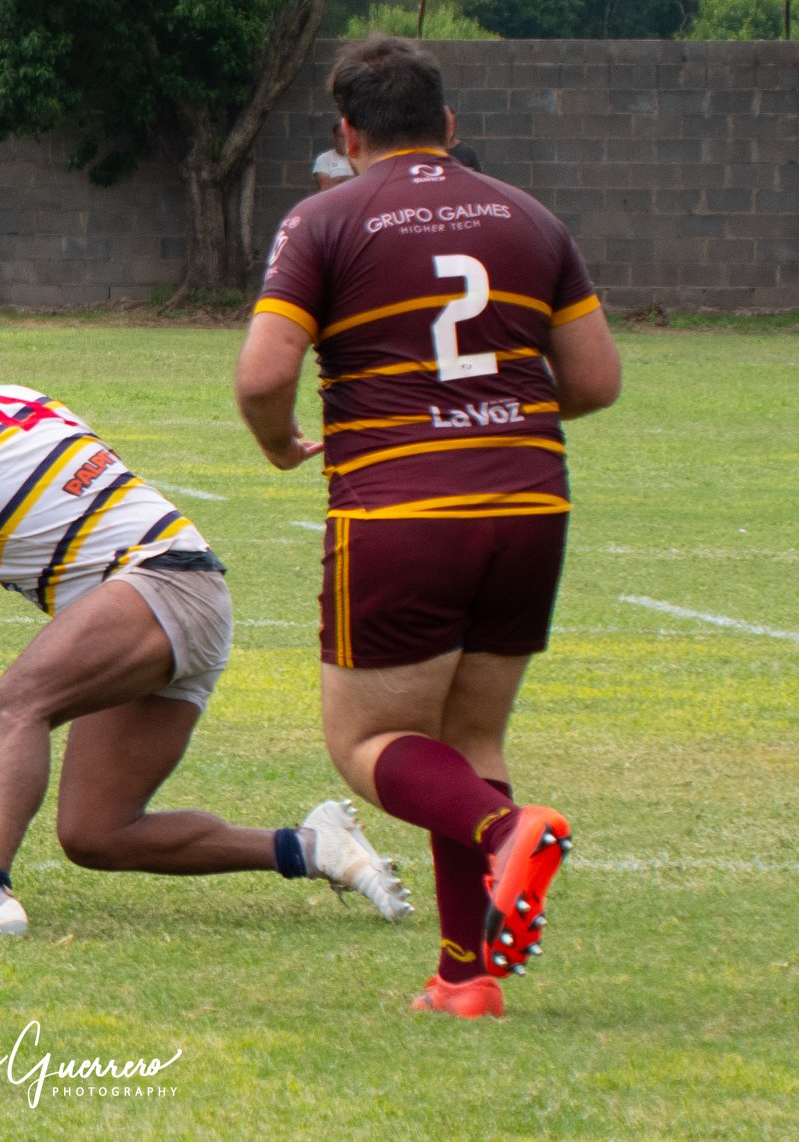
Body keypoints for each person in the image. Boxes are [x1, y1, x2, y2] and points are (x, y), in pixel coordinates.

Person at [233, 36, 621, 1018]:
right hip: (530, 501)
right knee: (468, 735)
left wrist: (281, 443)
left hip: (404, 508)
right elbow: (597, 380)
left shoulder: (324, 217)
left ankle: (507, 832)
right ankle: (464, 976)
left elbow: (265, 373)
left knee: (367, 739)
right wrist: (498, 412)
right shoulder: (533, 217)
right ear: (450, 126)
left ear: (346, 133)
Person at [0, 390, 412, 935]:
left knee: (16, 701)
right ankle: (310, 845)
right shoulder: (5, 399)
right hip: (180, 591)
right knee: (97, 832)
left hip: (157, 583)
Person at [312, 120, 354, 191]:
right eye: (341, 136)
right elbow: (325, 187)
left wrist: (339, 179)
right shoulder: (323, 159)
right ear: (334, 137)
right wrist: (355, 178)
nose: (345, 140)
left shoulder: (363, 158)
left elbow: (367, 185)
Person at [446, 107, 482, 172]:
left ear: (455, 125)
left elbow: (478, 178)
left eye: (448, 124)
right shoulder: (429, 153)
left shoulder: (468, 154)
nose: (445, 128)